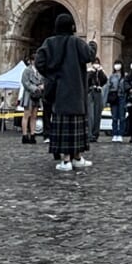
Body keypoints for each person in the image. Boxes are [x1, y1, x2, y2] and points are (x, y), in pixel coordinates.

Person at [35, 13, 95, 171]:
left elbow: (39, 61)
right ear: (71, 27)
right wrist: (93, 44)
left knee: (62, 125)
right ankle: (77, 157)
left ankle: (66, 160)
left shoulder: (49, 43)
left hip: (59, 92)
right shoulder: (76, 42)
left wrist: (51, 75)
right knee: (77, 126)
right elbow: (89, 55)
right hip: (76, 92)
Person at [20, 57, 44, 144]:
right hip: (29, 94)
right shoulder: (27, 70)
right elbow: (25, 82)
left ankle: (33, 135)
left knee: (34, 115)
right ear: (31, 61)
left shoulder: (39, 71)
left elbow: (42, 80)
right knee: (26, 115)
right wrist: (35, 88)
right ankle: (24, 135)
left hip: (37, 95)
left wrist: (42, 86)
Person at [86, 52, 108, 143]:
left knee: (97, 114)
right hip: (90, 92)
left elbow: (104, 81)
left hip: (98, 92)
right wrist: (92, 72)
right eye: (94, 62)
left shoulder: (101, 72)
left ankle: (96, 134)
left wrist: (100, 72)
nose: (96, 64)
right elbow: (86, 81)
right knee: (90, 114)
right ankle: (90, 134)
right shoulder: (89, 71)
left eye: (97, 62)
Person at [105, 60, 128, 143]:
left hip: (122, 97)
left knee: (122, 117)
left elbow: (126, 87)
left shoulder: (125, 76)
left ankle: (120, 134)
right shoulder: (112, 76)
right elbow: (108, 87)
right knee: (114, 117)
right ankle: (114, 134)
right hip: (114, 97)